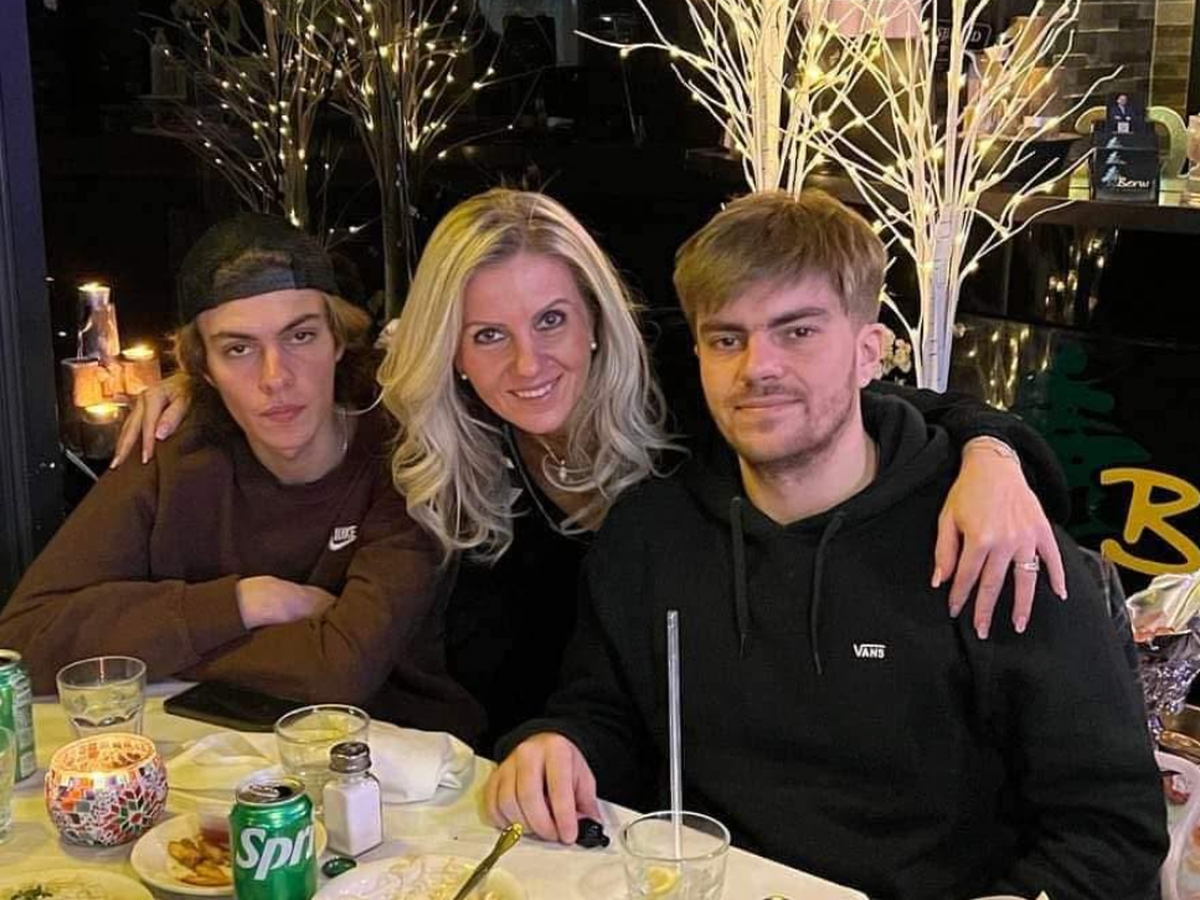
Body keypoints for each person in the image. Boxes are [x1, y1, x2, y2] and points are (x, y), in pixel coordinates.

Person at [113, 189, 1069, 748]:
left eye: (552, 321)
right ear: (452, 351)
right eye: (488, 335)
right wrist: (194, 383)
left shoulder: (694, 380)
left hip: (727, 770)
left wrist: (994, 453)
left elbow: (876, 402)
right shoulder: (455, 430)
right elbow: (308, 366)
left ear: (597, 319)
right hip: (548, 784)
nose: (527, 365)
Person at [483, 191, 1167, 900]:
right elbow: (603, 712)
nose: (758, 367)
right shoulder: (650, 532)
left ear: (869, 352)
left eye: (798, 332)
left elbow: (1112, 825)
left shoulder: (993, 540)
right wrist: (559, 746)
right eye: (727, 339)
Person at [0, 214, 484, 741]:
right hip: (208, 753)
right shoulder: (173, 450)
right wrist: (247, 602)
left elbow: (340, 671)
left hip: (403, 760)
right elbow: (21, 640)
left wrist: (152, 646)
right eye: (238, 348)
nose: (275, 377)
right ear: (203, 369)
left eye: (300, 336)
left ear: (338, 341)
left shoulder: (407, 454)